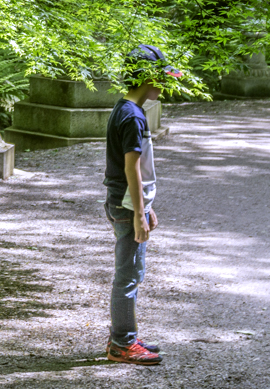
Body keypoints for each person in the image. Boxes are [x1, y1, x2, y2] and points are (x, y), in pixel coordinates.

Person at [103, 44, 183, 366]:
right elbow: (131, 168)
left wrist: (145, 207)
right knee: (129, 275)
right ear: (146, 78)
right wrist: (138, 212)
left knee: (131, 272)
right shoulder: (133, 117)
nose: (166, 85)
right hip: (125, 205)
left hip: (124, 202)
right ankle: (122, 344)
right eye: (161, 78)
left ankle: (124, 336)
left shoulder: (124, 109)